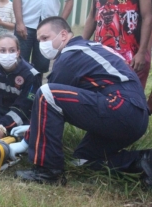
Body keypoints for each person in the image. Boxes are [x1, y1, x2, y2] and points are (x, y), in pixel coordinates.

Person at [14, 16, 152, 190]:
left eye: (45, 38)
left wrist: (26, 141)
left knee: (46, 92)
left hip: (120, 107)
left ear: (63, 35)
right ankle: (144, 161)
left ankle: (47, 171)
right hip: (133, 116)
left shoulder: (71, 55)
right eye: (39, 40)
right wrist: (31, 130)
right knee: (83, 159)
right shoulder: (88, 48)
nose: (42, 44)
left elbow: (48, 102)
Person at [82, 0, 152, 104]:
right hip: (101, 54)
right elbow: (92, 17)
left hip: (130, 56)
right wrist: (81, 45)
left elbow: (148, 18)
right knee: (99, 99)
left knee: (130, 101)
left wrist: (142, 52)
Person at [13, 0, 73, 82]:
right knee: (19, 62)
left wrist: (60, 23)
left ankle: (35, 91)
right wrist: (19, 22)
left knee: (41, 65)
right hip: (26, 23)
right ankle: (17, 91)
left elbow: (69, 1)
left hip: (49, 27)